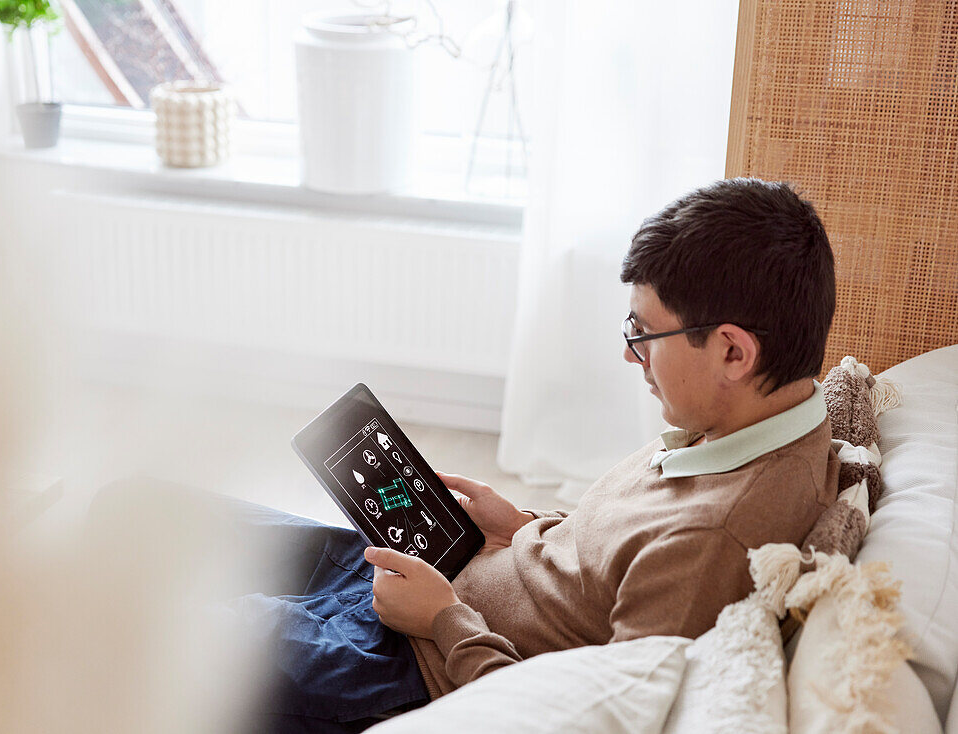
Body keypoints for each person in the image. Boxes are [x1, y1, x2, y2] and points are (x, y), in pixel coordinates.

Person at [173, 178, 841, 732]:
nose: (629, 354)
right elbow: (603, 570)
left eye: (644, 334)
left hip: (409, 662)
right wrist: (524, 527)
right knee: (150, 515)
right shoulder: (741, 419)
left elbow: (568, 712)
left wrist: (442, 618)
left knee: (137, 620)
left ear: (732, 351)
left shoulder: (716, 535)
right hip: (436, 577)